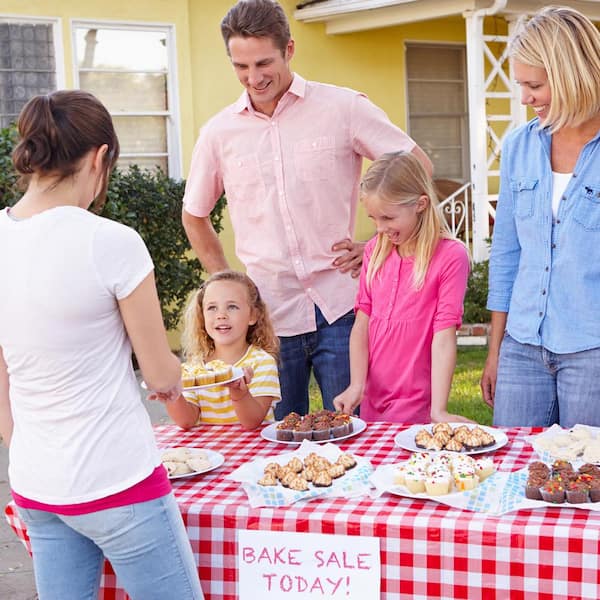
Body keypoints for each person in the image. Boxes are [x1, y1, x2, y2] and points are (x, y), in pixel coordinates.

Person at [181, 0, 433, 419]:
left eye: (264, 63)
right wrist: (227, 286)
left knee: (357, 433)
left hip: (343, 308)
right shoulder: (218, 132)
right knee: (275, 444)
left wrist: (375, 246)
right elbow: (194, 214)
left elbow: (416, 168)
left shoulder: (343, 108)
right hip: (269, 317)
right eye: (240, 67)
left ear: (289, 50)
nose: (253, 78)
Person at [0, 91, 204, 600]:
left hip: (35, 484)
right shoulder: (111, 241)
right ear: (100, 157)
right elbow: (160, 376)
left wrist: (21, 447)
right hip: (119, 482)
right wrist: (173, 382)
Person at [480, 6, 600, 428]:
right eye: (521, 85)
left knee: (586, 479)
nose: (525, 98)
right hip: (523, 346)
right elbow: (507, 254)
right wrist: (496, 350)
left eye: (534, 85)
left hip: (592, 349)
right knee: (512, 474)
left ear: (572, 77)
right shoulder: (519, 147)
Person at [333, 152, 471, 424]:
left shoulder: (450, 256)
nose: (380, 228)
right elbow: (362, 325)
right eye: (373, 219)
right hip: (374, 401)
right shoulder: (375, 251)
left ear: (420, 204)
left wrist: (438, 411)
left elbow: (444, 336)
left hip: (417, 404)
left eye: (388, 218)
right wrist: (357, 385)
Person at [166, 270, 281, 429]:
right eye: (212, 307)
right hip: (208, 450)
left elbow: (252, 422)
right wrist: (172, 395)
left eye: (232, 306)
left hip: (252, 450)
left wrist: (239, 393)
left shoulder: (262, 363)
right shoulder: (195, 368)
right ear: (202, 316)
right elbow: (187, 421)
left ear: (253, 315)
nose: (221, 315)